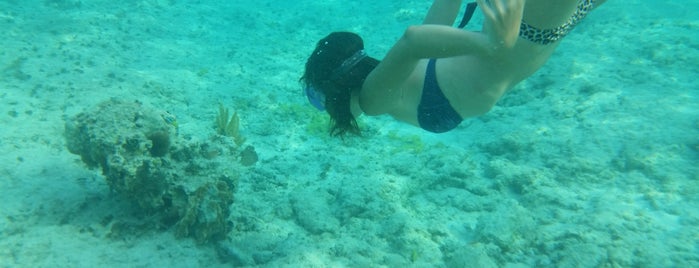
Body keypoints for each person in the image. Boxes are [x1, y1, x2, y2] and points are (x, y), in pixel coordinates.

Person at [301, 0, 606, 136]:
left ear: (334, 88)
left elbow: (413, 39)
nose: (323, 108)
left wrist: (493, 44)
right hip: (542, 30)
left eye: (317, 98)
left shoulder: (373, 99)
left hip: (532, 32)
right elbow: (432, 27)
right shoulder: (397, 83)